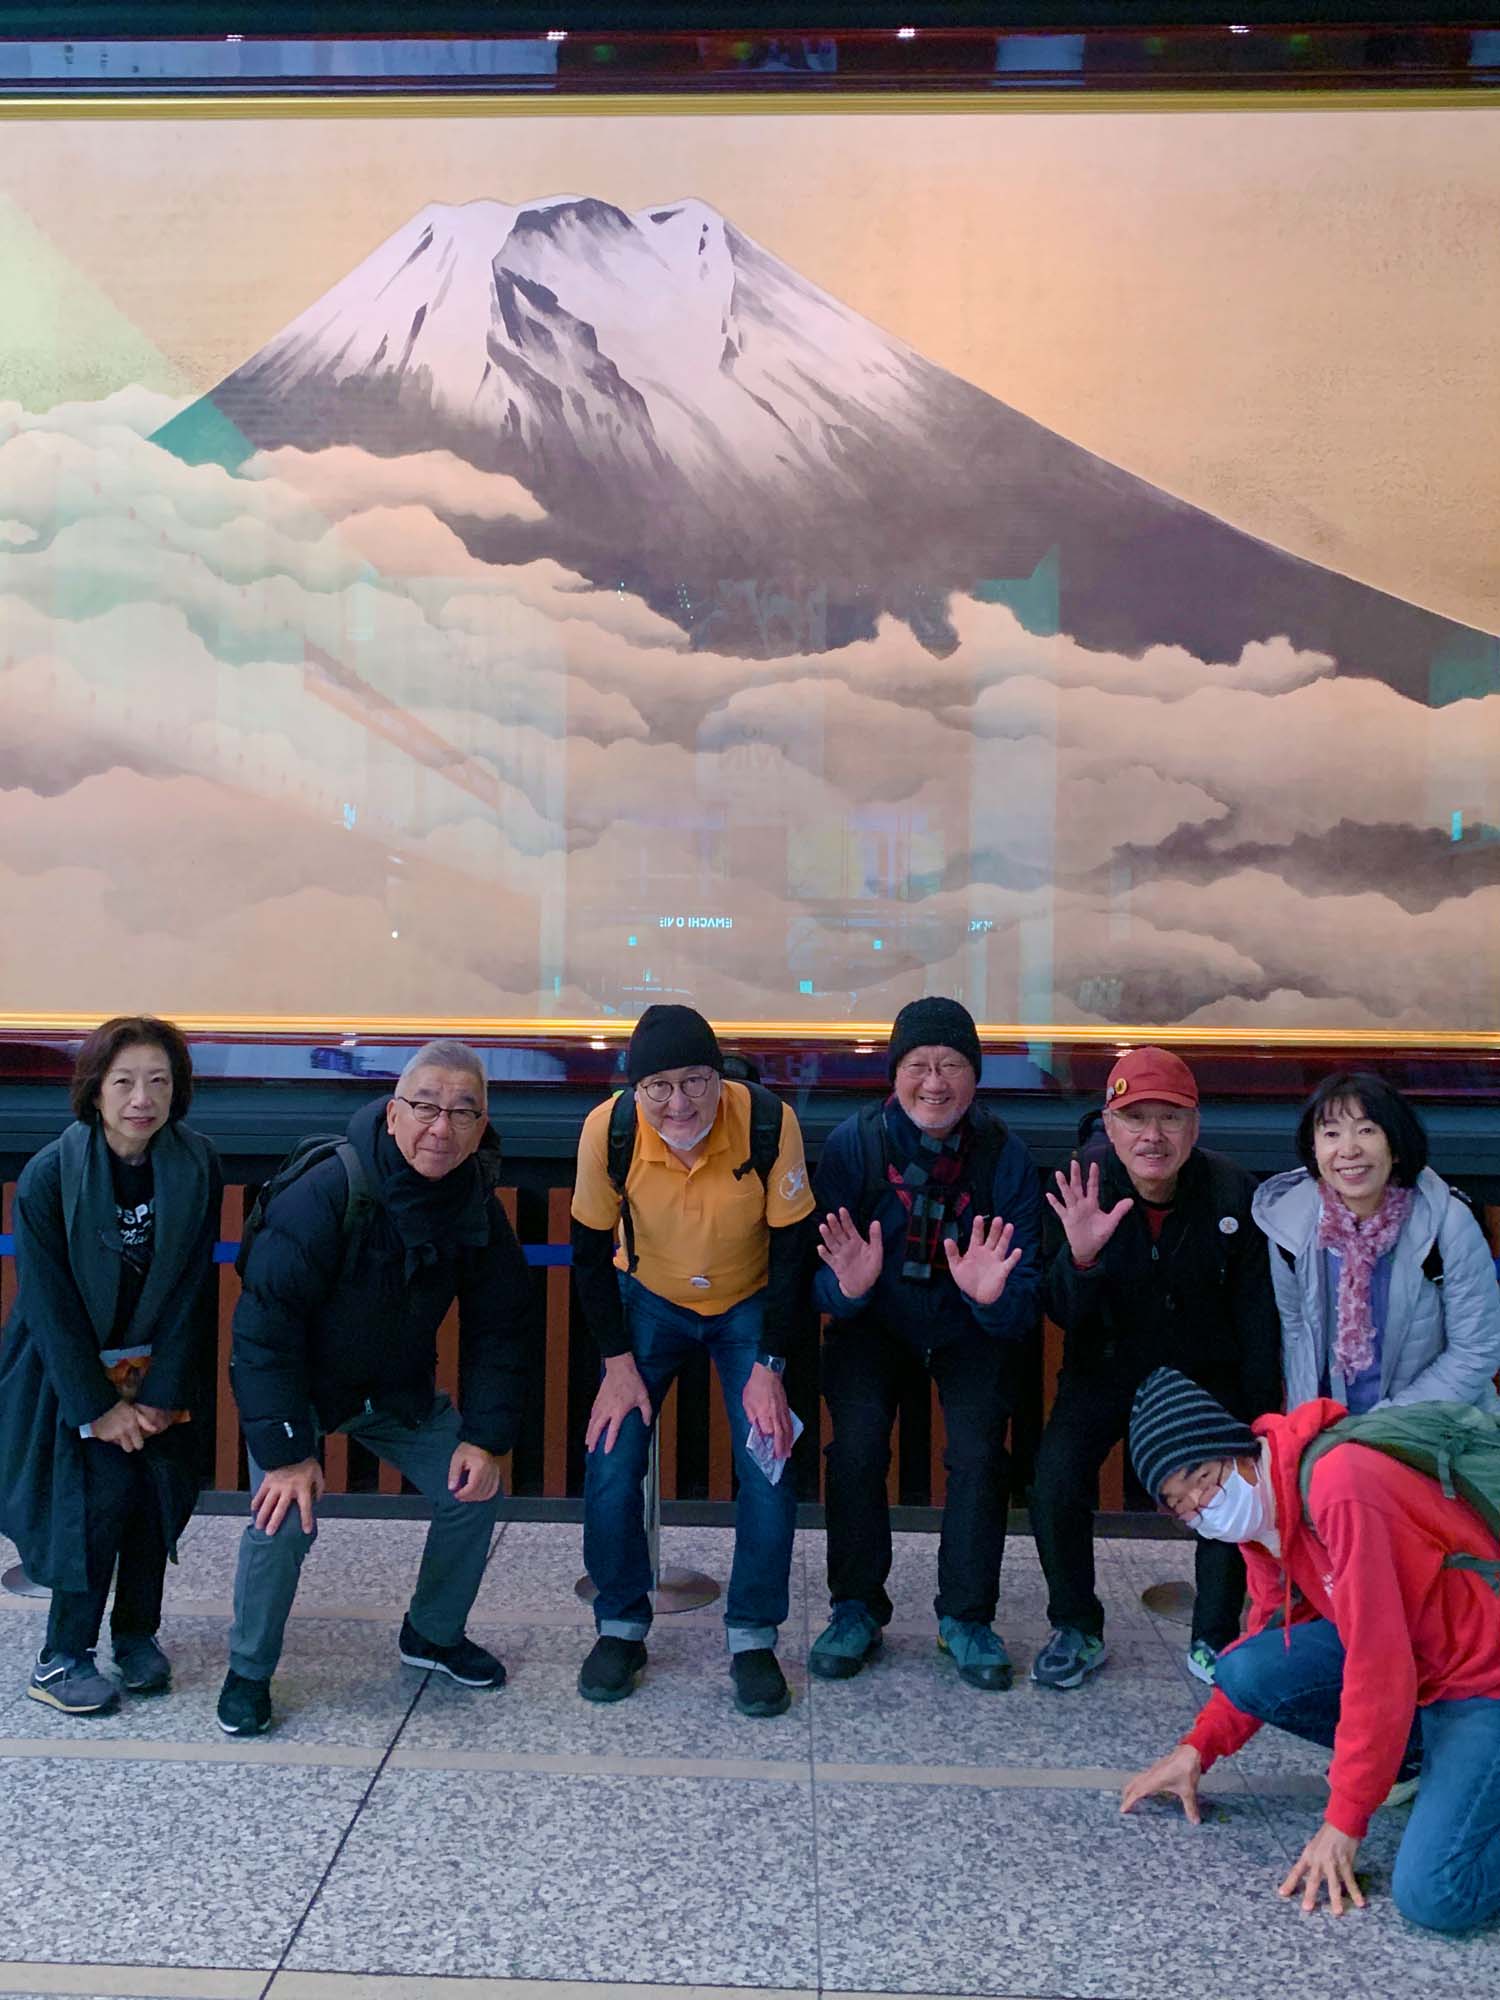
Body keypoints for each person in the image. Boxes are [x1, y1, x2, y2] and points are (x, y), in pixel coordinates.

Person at [218, 1038, 533, 1737]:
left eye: (462, 1112)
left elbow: (502, 1329)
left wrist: (485, 1439)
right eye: (425, 1107)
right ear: (393, 1115)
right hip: (299, 1390)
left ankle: (432, 1633)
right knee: (282, 1516)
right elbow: (263, 1330)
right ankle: (248, 1670)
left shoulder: (476, 1204)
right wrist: (288, 1453)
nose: (441, 1128)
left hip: (392, 1391)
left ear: (481, 1126)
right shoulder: (328, 1190)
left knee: (473, 1489)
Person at [1122, 1367, 1500, 1931]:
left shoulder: (1341, 1483)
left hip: (1482, 1677)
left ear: (1236, 1450)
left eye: (1202, 1476)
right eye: (1182, 1504)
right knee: (1246, 1669)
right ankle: (1418, 1757)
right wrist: (1199, 1748)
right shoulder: (1263, 1522)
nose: (1203, 1502)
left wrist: (1345, 1819)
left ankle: (1447, 1764)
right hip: (1426, 1669)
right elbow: (1270, 1632)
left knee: (1436, 1893)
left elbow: (1380, 1664)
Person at [570, 1004, 816, 1717]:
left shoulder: (768, 1121)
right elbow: (588, 1254)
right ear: (636, 1090)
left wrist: (770, 1365)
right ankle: (620, 1624)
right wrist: (617, 1363)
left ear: (719, 1076)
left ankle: (753, 1635)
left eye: (695, 1081)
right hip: (648, 1300)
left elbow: (794, 1253)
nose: (679, 1103)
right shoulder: (607, 1131)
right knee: (611, 1453)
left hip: (748, 1304)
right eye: (659, 1087)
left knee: (769, 1456)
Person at [808, 997, 1041, 1690]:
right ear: (894, 1072)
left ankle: (966, 1618)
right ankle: (855, 1608)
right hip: (874, 1325)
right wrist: (848, 1289)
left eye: (951, 1066)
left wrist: (990, 1298)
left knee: (979, 1453)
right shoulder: (854, 1146)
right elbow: (816, 1280)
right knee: (855, 1447)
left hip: (968, 1327)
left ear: (975, 1076)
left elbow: (1025, 1295)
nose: (934, 1083)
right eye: (918, 1065)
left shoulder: (1005, 1157)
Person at [1031, 1047, 1281, 1689]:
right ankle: (1076, 1627)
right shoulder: (1079, 1185)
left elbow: (1257, 1317)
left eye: (1170, 1117)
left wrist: (1262, 1423)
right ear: (1109, 1126)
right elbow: (1060, 1310)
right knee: (1055, 1481)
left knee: (1231, 1483)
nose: (1152, 1136)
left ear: (1194, 1127)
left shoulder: (1233, 1189)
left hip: (1205, 1373)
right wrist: (1081, 1260)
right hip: (1106, 1366)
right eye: (1134, 1117)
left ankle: (1215, 1635)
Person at [0, 1016, 221, 1715]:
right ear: (95, 1089)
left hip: (158, 1370)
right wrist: (98, 1407)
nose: (142, 1099)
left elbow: (193, 1287)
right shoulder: (50, 1174)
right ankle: (61, 1657)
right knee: (92, 1507)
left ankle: (136, 1636)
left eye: (159, 1081)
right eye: (124, 1082)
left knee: (152, 1501)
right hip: (69, 1374)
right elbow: (47, 1303)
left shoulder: (196, 1163)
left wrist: (161, 1393)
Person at [1252, 1070, 1500, 1413]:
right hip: (1333, 1429)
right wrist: (1309, 1427)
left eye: (1367, 1130)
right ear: (1314, 1148)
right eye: (1331, 1133)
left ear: (1396, 1146)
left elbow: (1476, 1351)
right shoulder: (1289, 1225)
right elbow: (1298, 1340)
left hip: (1433, 1423)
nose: (1349, 1150)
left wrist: (1381, 1427)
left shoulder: (1448, 1224)